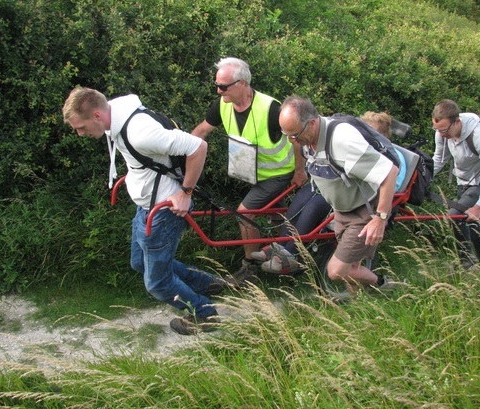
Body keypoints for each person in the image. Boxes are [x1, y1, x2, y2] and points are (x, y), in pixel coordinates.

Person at [63, 86, 225, 336]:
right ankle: (207, 283)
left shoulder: (139, 132)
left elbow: (197, 147)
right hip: (146, 207)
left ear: (96, 116)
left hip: (164, 210)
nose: (79, 133)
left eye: (80, 128)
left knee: (158, 283)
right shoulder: (114, 115)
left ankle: (204, 314)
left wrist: (186, 193)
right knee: (140, 263)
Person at [192, 57, 307, 284]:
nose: (218, 90)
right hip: (251, 174)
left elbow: (296, 139)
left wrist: (300, 171)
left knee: (244, 213)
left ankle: (249, 271)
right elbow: (202, 131)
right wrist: (181, 149)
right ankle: (290, 254)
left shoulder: (271, 108)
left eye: (223, 86)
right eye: (217, 84)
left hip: (278, 174)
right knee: (276, 215)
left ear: (242, 83)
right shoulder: (222, 105)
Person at [278, 96, 400, 297]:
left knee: (336, 270)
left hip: (363, 211)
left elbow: (389, 171)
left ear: (312, 123)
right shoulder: (307, 139)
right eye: (287, 135)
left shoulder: (342, 140)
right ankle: (361, 305)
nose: (293, 141)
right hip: (341, 211)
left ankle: (382, 284)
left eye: (295, 135)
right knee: (353, 265)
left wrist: (380, 218)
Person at [431, 99, 480, 270]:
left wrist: (479, 206)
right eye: (436, 129)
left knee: (455, 216)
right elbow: (439, 161)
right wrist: (418, 179)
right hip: (463, 183)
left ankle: (466, 263)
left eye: (444, 130)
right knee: (469, 221)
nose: (441, 134)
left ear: (457, 121)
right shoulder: (442, 133)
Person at [360, 111, 408, 193]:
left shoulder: (394, 157)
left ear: (383, 136)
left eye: (369, 133)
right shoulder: (367, 149)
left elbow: (392, 188)